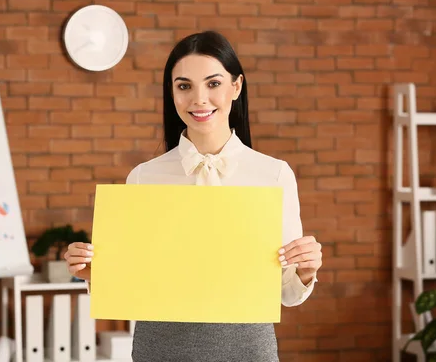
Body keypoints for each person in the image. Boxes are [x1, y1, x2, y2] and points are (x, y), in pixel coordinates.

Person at [63, 30, 323, 362]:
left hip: (247, 349)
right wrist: (94, 274)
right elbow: (137, 282)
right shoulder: (144, 177)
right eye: (184, 86)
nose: (199, 99)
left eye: (213, 84)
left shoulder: (274, 175)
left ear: (236, 87)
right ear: (171, 93)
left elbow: (286, 293)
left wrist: (306, 271)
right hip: (161, 348)